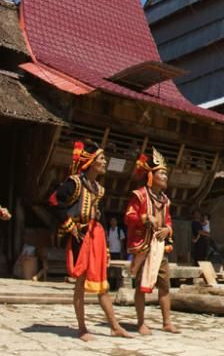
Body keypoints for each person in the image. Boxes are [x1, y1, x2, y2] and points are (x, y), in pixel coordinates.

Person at [48, 140, 131, 341]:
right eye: (102, 158)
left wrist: (107, 248)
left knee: (102, 284)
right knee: (81, 283)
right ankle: (82, 328)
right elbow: (54, 201)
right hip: (81, 237)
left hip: (96, 238)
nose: (105, 161)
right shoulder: (74, 183)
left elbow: (99, 217)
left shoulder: (98, 189)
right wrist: (70, 227)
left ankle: (114, 326)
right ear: (92, 162)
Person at [125, 147, 178, 335]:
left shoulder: (165, 200)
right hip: (144, 247)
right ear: (151, 175)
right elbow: (129, 216)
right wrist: (146, 217)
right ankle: (140, 323)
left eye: (166, 173)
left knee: (165, 286)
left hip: (160, 248)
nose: (165, 176)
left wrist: (168, 228)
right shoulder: (139, 195)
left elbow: (169, 220)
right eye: (162, 173)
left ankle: (167, 322)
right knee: (141, 286)